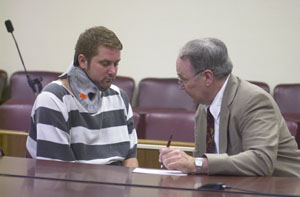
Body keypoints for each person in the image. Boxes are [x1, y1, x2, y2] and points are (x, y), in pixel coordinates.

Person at [159, 38, 300, 176]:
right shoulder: (203, 109)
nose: (181, 87)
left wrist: (196, 164)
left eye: (183, 80)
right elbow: (205, 167)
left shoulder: (254, 101)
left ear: (207, 77)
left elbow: (261, 161)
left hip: (281, 188)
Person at [26, 26, 138, 167]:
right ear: (83, 61)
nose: (113, 71)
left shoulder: (120, 97)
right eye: (105, 64)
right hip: (69, 186)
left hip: (116, 186)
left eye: (116, 64)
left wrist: (128, 187)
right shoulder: (53, 100)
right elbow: (58, 173)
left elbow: (130, 159)